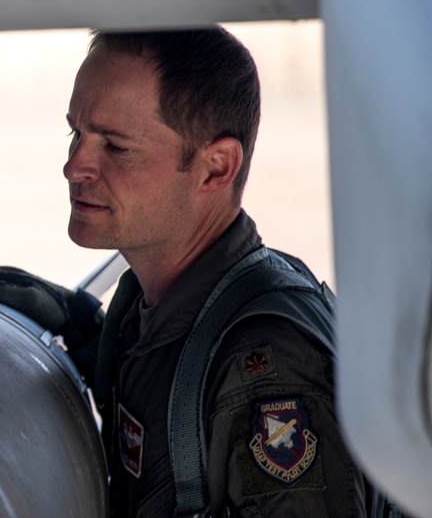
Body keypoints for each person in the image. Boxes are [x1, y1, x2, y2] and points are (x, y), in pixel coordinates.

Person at [63, 28, 366, 516]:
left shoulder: (268, 366)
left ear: (216, 168)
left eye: (116, 147)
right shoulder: (146, 311)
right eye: (76, 133)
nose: (75, 165)